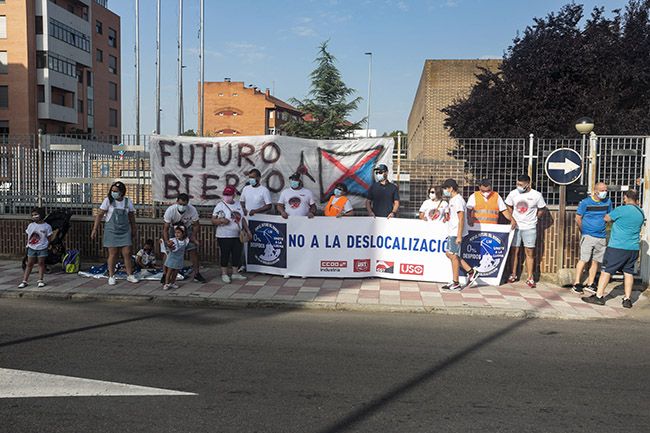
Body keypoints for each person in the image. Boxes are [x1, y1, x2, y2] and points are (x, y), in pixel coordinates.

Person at [583, 190, 645, 309]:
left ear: (625, 198)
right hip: (633, 248)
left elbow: (607, 218)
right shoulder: (640, 212)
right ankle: (627, 299)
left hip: (617, 247)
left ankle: (599, 296)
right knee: (628, 273)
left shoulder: (621, 209)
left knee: (606, 271)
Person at [91, 181, 139, 286]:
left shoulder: (127, 202)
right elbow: (99, 215)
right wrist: (95, 229)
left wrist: (134, 228)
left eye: (116, 191)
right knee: (113, 254)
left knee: (127, 252)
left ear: (122, 192)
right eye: (112, 191)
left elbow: (131, 216)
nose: (114, 193)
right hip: (112, 231)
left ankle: (130, 275)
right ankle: (111, 275)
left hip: (125, 230)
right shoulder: (108, 201)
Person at [505, 174, 546, 288]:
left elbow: (542, 208)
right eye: (517, 184)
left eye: (521, 184)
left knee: (530, 252)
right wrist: (512, 218)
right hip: (516, 227)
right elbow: (508, 205)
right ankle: (513, 274)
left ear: (528, 184)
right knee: (514, 251)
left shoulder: (536, 195)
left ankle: (530, 277)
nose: (518, 186)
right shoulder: (513, 194)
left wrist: (536, 218)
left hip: (530, 227)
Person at [572, 182, 612, 294]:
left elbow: (609, 216)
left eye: (606, 190)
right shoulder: (585, 202)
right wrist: (584, 231)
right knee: (584, 259)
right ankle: (577, 283)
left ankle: (590, 283)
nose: (604, 192)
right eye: (602, 190)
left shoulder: (608, 202)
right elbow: (578, 218)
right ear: (595, 191)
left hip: (601, 236)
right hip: (588, 235)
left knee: (596, 261)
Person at [440, 179, 480, 291]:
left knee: (452, 255)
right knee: (450, 254)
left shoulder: (458, 200)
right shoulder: (453, 200)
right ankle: (471, 271)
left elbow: (461, 218)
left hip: (455, 232)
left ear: (451, 188)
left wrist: (458, 235)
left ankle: (456, 282)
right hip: (452, 231)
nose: (444, 191)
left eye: (446, 188)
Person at [161, 193, 206, 283]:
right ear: (177, 202)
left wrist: (193, 236)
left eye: (184, 205)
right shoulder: (170, 210)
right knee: (168, 252)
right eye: (180, 204)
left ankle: (197, 274)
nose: (182, 206)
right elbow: (165, 229)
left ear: (188, 203)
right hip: (173, 230)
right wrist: (167, 241)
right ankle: (165, 274)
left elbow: (196, 225)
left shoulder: (192, 209)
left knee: (193, 250)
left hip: (187, 230)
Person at [212, 185, 252, 283]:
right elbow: (213, 220)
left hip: (237, 234)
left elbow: (242, 219)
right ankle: (224, 273)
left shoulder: (238, 204)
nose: (227, 197)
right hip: (224, 235)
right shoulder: (220, 205)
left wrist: (247, 230)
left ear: (234, 195)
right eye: (225, 195)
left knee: (236, 253)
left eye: (229, 195)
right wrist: (221, 221)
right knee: (225, 254)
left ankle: (235, 272)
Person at [18, 207, 53, 288]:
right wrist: (28, 245)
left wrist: (48, 245)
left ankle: (40, 280)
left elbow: (49, 237)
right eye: (32, 215)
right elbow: (29, 236)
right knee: (29, 264)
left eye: (36, 215)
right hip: (31, 247)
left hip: (42, 248)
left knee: (41, 263)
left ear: (41, 215)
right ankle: (24, 281)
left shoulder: (47, 226)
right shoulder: (31, 225)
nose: (34, 216)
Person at [163, 225, 190, 290]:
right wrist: (170, 247)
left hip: (179, 259)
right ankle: (166, 283)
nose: (177, 234)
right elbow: (169, 246)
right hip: (172, 258)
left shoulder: (185, 241)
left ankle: (173, 282)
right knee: (169, 271)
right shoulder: (173, 240)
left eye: (179, 233)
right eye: (175, 232)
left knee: (176, 272)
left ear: (183, 234)